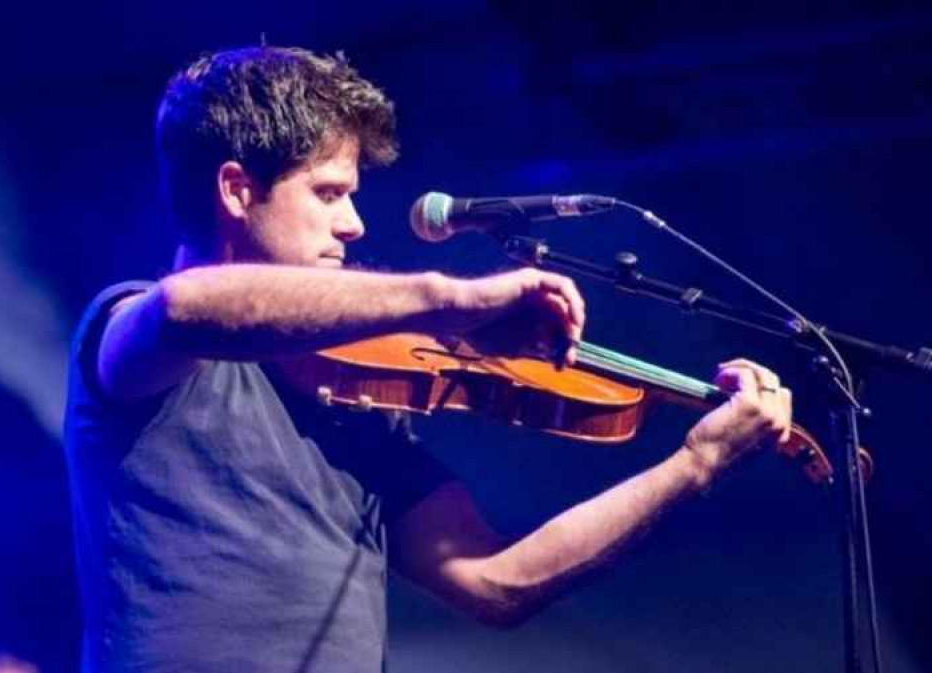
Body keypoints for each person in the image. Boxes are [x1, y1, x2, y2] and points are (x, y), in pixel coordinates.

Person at [63, 46, 793, 672]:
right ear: (235, 189)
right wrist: (447, 298)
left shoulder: (351, 401)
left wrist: (693, 464)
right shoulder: (129, 327)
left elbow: (496, 582)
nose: (352, 223)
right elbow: (187, 309)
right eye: (328, 193)